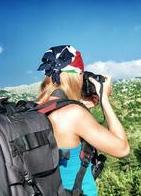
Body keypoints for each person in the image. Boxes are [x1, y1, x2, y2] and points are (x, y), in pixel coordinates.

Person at [36, 45, 130, 196]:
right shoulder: (74, 114)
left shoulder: (34, 109)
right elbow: (122, 149)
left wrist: (82, 106)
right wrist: (104, 98)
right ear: (77, 75)